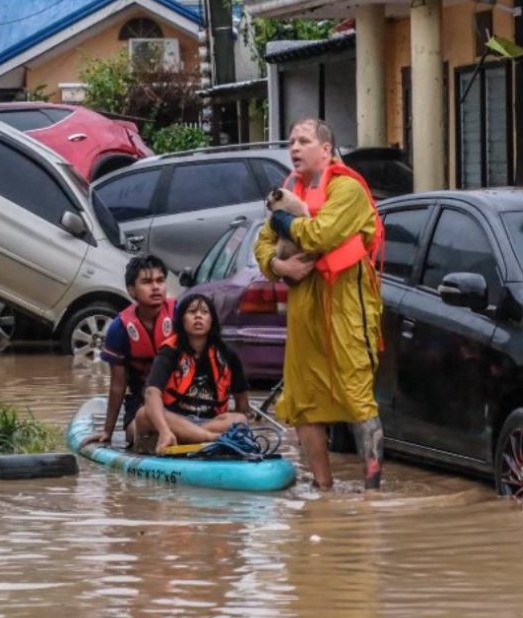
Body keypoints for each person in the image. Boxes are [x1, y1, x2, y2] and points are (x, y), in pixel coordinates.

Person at [252, 117, 386, 491]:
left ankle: (372, 494)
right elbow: (260, 245)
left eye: (304, 141)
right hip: (303, 311)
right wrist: (280, 265)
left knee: (358, 398)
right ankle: (323, 487)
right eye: (292, 141)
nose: (294, 148)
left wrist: (281, 221)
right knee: (303, 400)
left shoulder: (347, 189)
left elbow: (320, 234)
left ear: (325, 150)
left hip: (345, 309)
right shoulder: (290, 188)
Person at [132, 293, 251, 454]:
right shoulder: (170, 351)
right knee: (144, 414)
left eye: (204, 312)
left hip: (208, 422)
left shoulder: (228, 354)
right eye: (192, 312)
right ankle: (210, 439)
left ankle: (191, 436)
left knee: (240, 420)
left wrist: (240, 427)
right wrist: (165, 430)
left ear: (212, 320)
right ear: (182, 319)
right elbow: (152, 393)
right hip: (173, 421)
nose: (198, 316)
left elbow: (242, 405)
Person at [81, 255, 175, 448]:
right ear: (132, 290)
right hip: (141, 406)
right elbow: (118, 386)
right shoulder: (119, 328)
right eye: (147, 282)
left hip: (180, 401)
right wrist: (107, 431)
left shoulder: (181, 315)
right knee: (139, 427)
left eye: (160, 281)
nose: (156, 287)